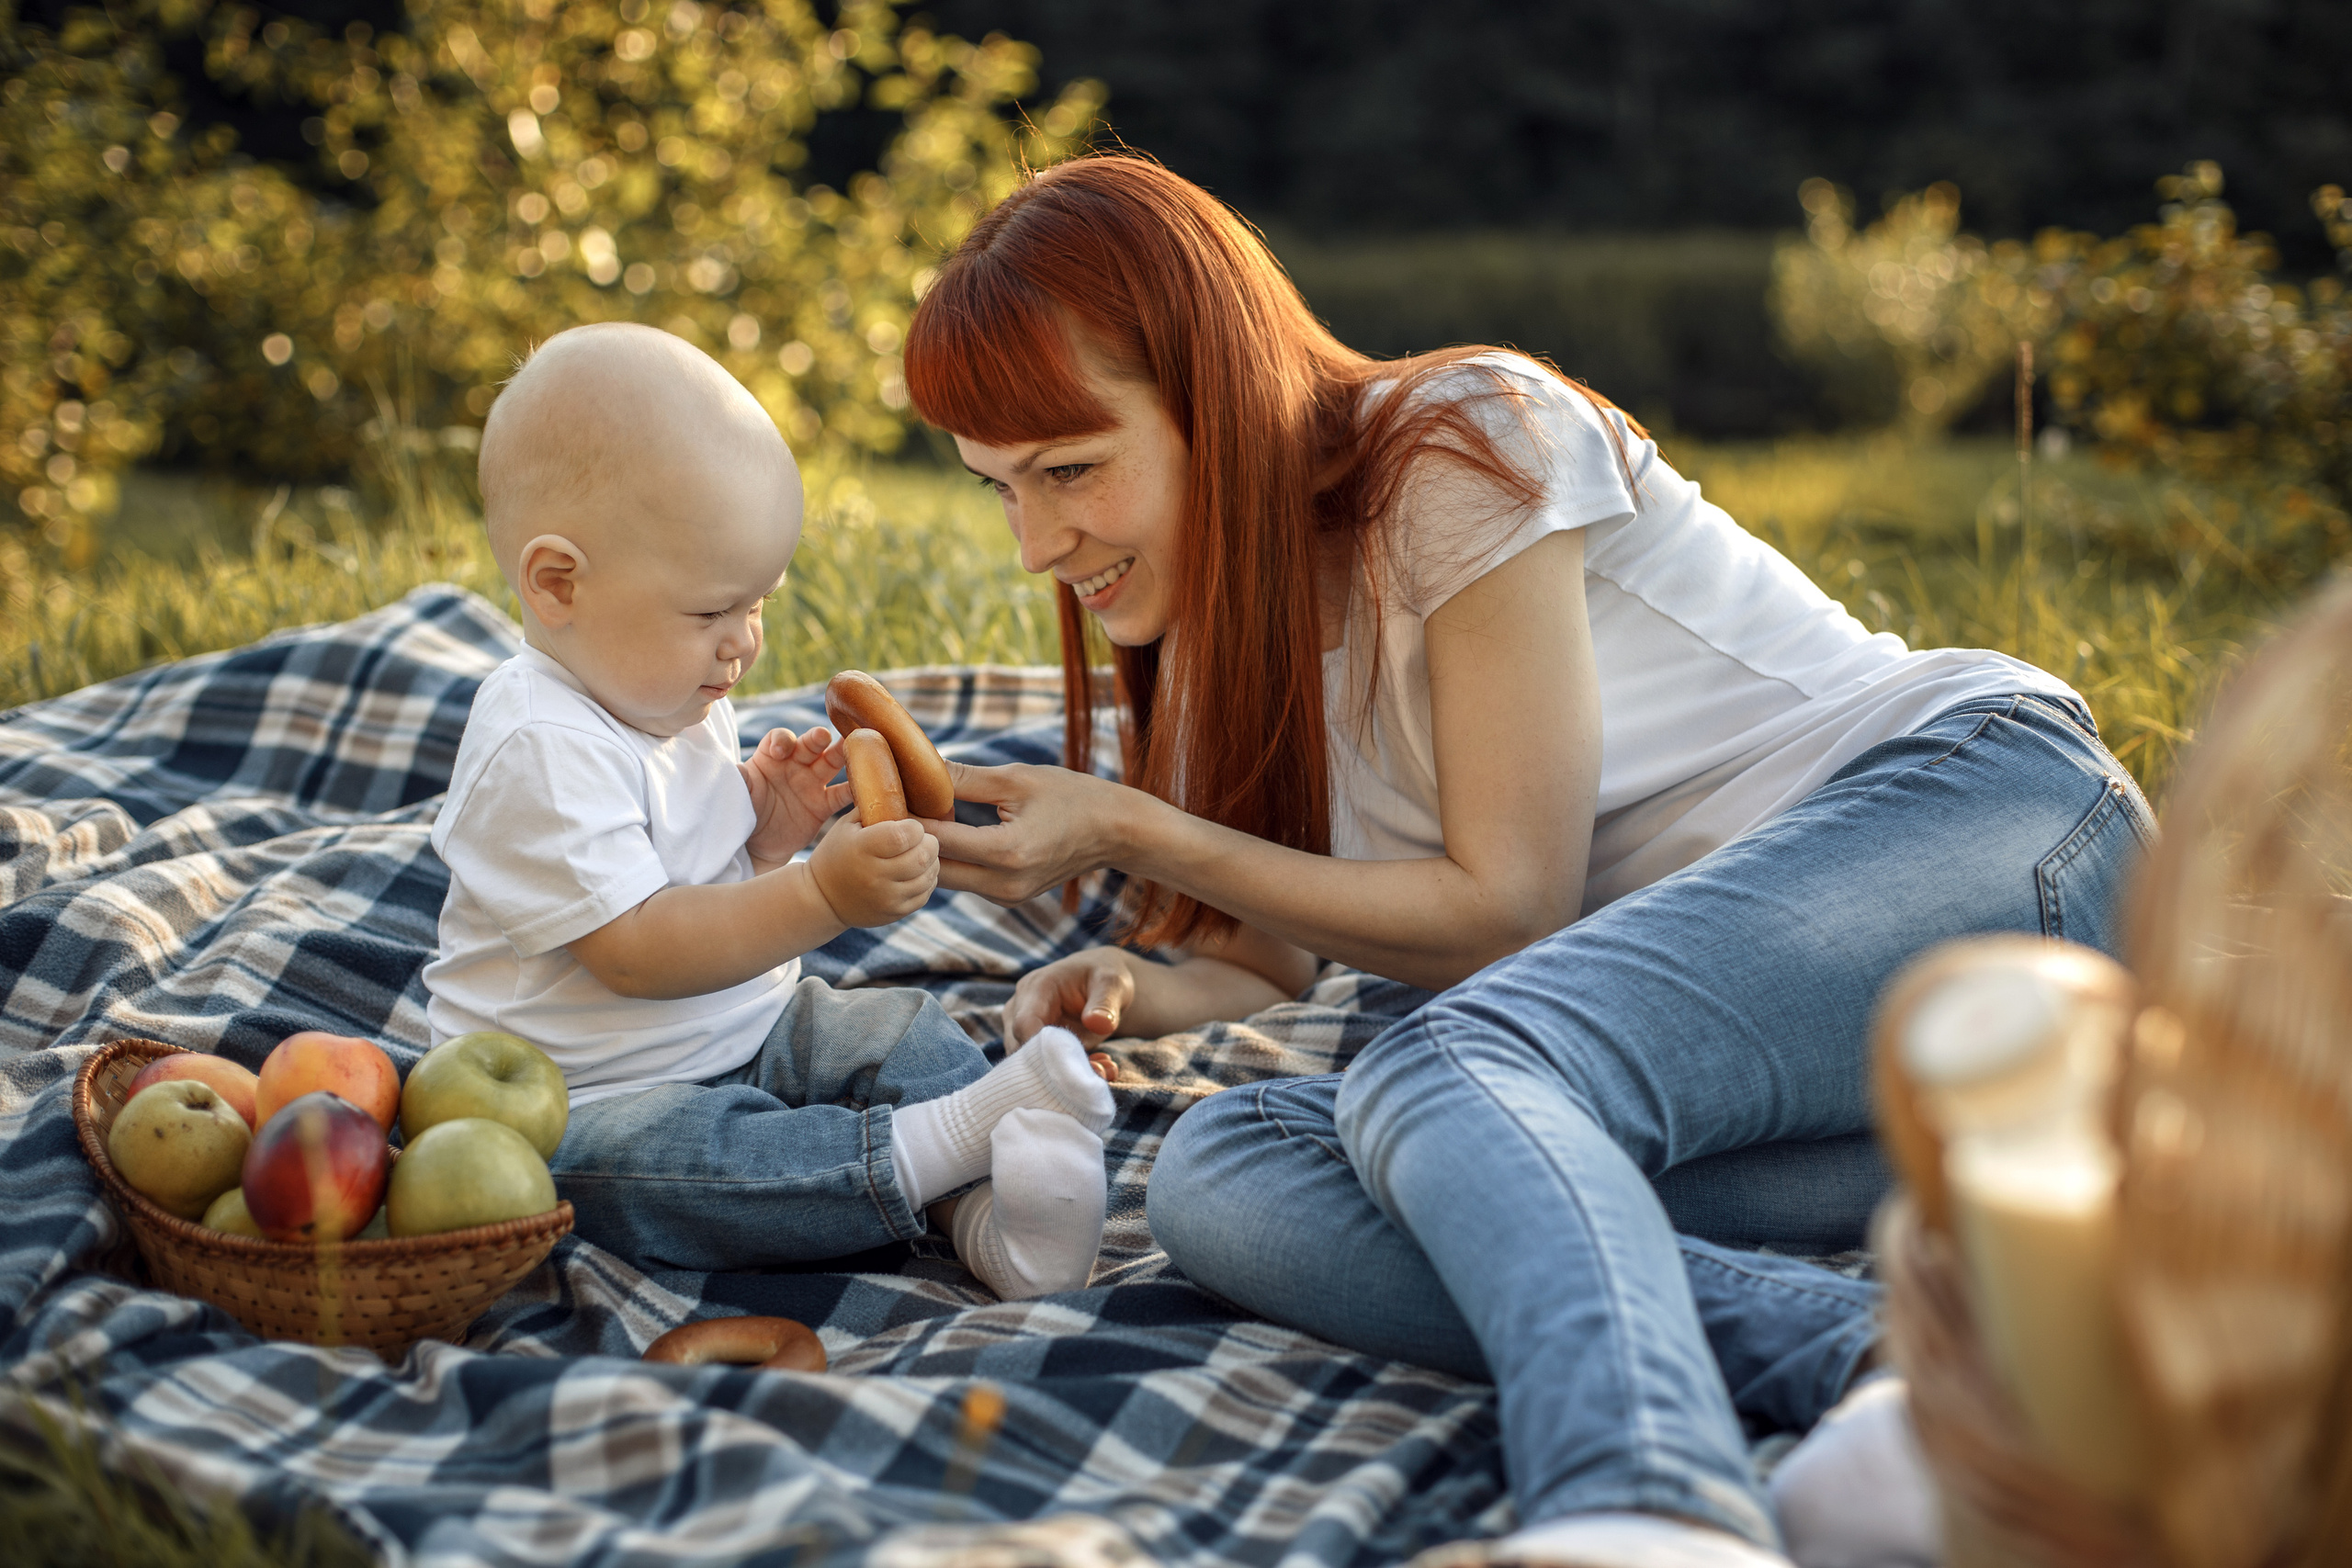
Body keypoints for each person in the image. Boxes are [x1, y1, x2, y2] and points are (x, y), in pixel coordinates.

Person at [899, 156, 2153, 1565]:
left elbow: (1507, 909)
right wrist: (1122, 976)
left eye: (1070, 468)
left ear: (1219, 392)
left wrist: (1130, 823)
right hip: (1814, 1063)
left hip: (1974, 826)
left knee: (1439, 1069)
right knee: (1226, 1168)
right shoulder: (1208, 634)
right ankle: (1899, 1368)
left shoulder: (1454, 442)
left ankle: (1647, 1496)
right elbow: (1268, 957)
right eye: (1000, 486)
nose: (1035, 543)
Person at [421, 321, 1116, 1301]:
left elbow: (689, 860)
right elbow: (640, 945)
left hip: (750, 1029)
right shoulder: (538, 740)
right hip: (582, 1095)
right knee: (684, 1168)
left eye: (760, 605)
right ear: (557, 583)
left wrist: (765, 827)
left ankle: (986, 1214)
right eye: (712, 612)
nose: (743, 644)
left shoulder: (668, 689)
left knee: (893, 1029)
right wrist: (821, 896)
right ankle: (935, 1152)